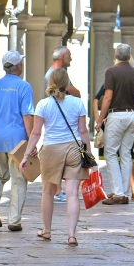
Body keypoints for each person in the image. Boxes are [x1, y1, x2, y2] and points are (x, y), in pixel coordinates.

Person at [19, 68, 90, 246]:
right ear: (67, 83)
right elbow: (83, 131)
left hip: (51, 150)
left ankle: (47, 231)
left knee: (48, 192)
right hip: (74, 149)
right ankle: (72, 235)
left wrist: (26, 155)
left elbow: (36, 133)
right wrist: (89, 153)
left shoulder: (43, 104)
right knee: (73, 194)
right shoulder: (78, 103)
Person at [0, 51, 34, 231]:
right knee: (18, 178)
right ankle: (14, 220)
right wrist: (32, 141)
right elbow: (27, 116)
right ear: (19, 66)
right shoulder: (24, 87)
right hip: (16, 139)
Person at [95, 44, 134, 205]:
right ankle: (125, 192)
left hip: (116, 114)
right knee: (126, 154)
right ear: (129, 56)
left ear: (115, 55)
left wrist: (100, 119)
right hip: (131, 114)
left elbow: (107, 97)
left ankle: (118, 192)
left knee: (111, 153)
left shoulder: (111, 71)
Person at [44, 46, 81, 203]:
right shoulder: (56, 74)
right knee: (60, 164)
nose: (71, 59)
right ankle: (59, 192)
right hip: (60, 127)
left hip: (55, 129)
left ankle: (59, 192)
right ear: (62, 57)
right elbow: (76, 93)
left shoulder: (53, 73)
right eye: (69, 56)